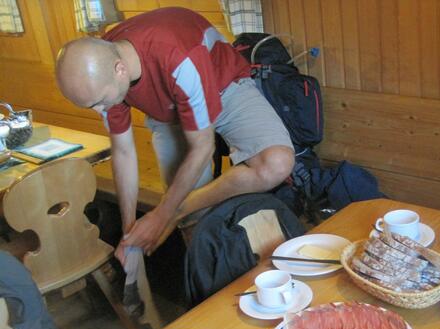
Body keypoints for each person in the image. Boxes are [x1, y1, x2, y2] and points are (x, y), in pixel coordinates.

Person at [55, 7, 294, 265]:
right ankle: (207, 275)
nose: (99, 110)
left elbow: (202, 147)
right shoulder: (103, 72)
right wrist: (129, 231)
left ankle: (182, 208)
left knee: (276, 163)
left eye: (100, 102)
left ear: (120, 69)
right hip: (169, 111)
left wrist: (165, 212)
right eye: (91, 105)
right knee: (192, 217)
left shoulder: (178, 58)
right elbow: (123, 152)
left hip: (223, 87)